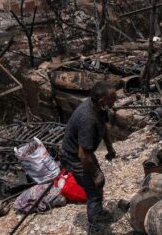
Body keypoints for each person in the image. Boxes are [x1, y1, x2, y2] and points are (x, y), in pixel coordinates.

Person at [60, 81, 118, 228]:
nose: (115, 101)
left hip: (84, 153)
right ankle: (95, 224)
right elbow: (83, 156)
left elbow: (103, 126)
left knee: (98, 185)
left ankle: (98, 212)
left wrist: (110, 147)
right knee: (93, 189)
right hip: (75, 157)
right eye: (112, 98)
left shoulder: (100, 108)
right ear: (101, 100)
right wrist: (96, 172)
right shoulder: (87, 119)